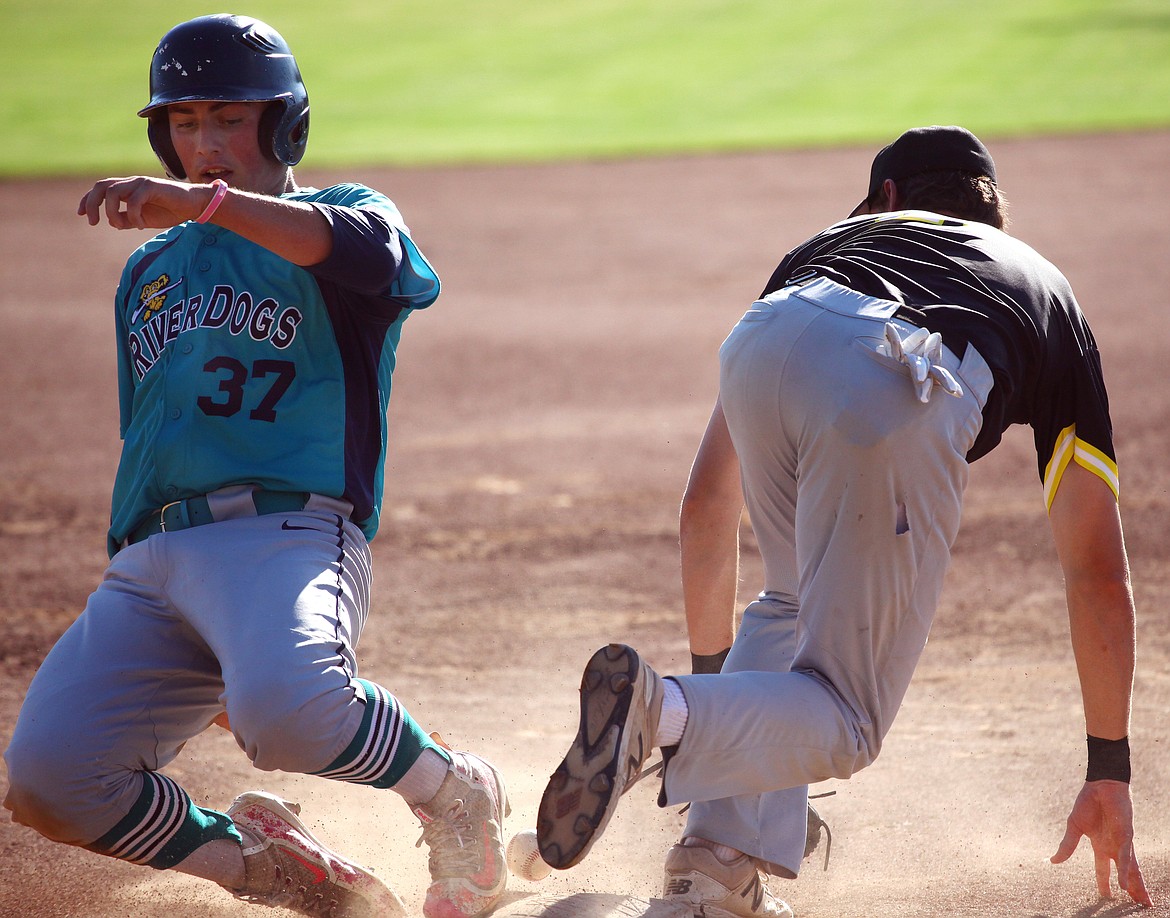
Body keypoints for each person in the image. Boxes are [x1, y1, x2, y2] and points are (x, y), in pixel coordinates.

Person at [535, 125, 1152, 916]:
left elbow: (705, 509)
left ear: (886, 200)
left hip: (765, 338)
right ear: (993, 220)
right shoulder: (1039, 286)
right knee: (847, 716)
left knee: (792, 599)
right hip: (894, 373)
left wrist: (724, 701)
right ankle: (658, 712)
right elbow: (1095, 569)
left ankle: (715, 866)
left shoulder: (829, 242)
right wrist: (1108, 767)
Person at [3, 14, 510, 918]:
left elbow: (373, 257)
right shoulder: (150, 268)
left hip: (287, 532)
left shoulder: (349, 217)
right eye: (185, 124)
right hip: (152, 558)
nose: (204, 145)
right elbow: (152, 437)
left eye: (229, 120)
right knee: (48, 780)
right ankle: (265, 865)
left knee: (288, 713)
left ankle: (450, 789)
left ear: (285, 127)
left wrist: (205, 204)